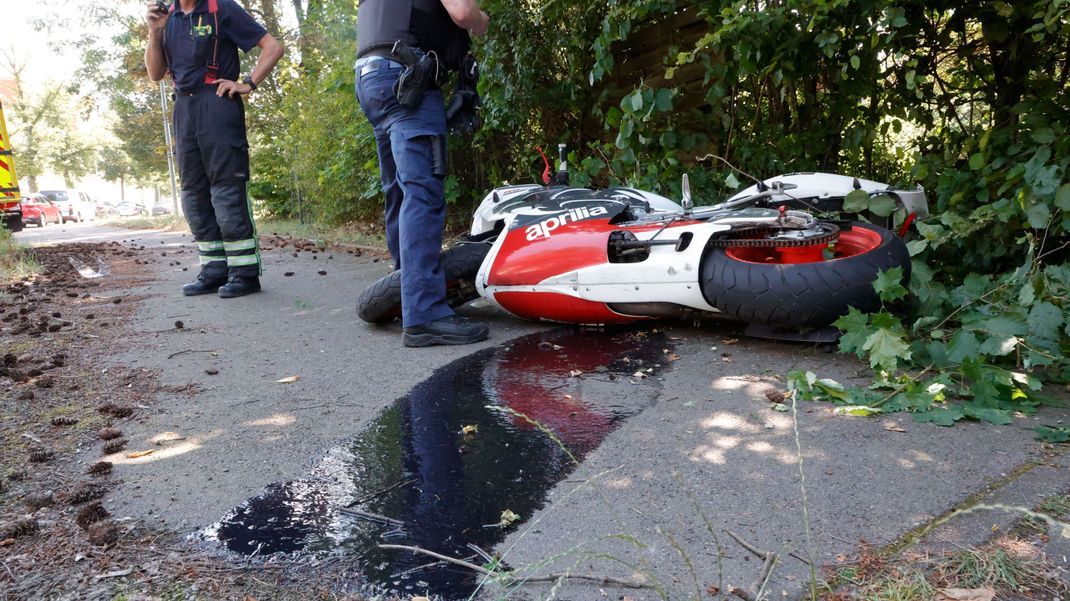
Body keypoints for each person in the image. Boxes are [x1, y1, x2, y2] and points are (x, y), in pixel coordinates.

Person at [355, 0, 490, 347]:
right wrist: (480, 20)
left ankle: (405, 293)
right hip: (407, 74)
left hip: (371, 77)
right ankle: (425, 313)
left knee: (398, 192)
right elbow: (461, 11)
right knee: (423, 193)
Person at [144, 0, 283, 298]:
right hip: (183, 107)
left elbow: (272, 47)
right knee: (193, 193)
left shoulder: (222, 9)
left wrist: (248, 82)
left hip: (217, 104)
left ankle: (244, 273)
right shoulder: (167, 17)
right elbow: (156, 74)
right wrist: (154, 32)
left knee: (226, 189)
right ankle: (214, 269)